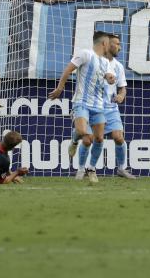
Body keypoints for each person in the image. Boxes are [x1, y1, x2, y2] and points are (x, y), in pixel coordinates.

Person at [48, 31, 116, 184]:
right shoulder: (85, 54)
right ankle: (74, 140)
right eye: (109, 43)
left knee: (98, 138)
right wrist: (60, 88)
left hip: (98, 106)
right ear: (103, 43)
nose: (110, 47)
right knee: (83, 133)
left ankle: (91, 168)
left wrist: (111, 78)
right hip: (82, 102)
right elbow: (68, 70)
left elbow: (110, 77)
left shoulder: (106, 62)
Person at [90, 33, 136, 179]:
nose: (119, 47)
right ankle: (88, 168)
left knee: (118, 137)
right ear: (106, 44)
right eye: (116, 44)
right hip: (95, 106)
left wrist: (121, 95)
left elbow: (122, 87)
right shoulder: (95, 61)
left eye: (119, 44)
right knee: (93, 139)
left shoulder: (118, 66)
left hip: (111, 108)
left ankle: (122, 169)